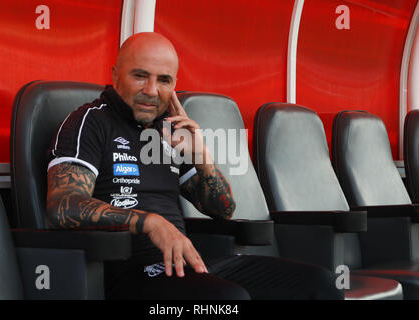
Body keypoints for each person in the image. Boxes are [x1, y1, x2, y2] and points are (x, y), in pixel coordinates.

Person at [46, 32, 344, 300]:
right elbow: (63, 206)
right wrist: (150, 222)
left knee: (320, 284)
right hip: (127, 273)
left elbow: (223, 209)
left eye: (164, 80)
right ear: (114, 74)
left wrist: (202, 157)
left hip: (188, 265)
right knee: (226, 301)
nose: (152, 90)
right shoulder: (90, 122)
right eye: (140, 76)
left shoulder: (168, 132)